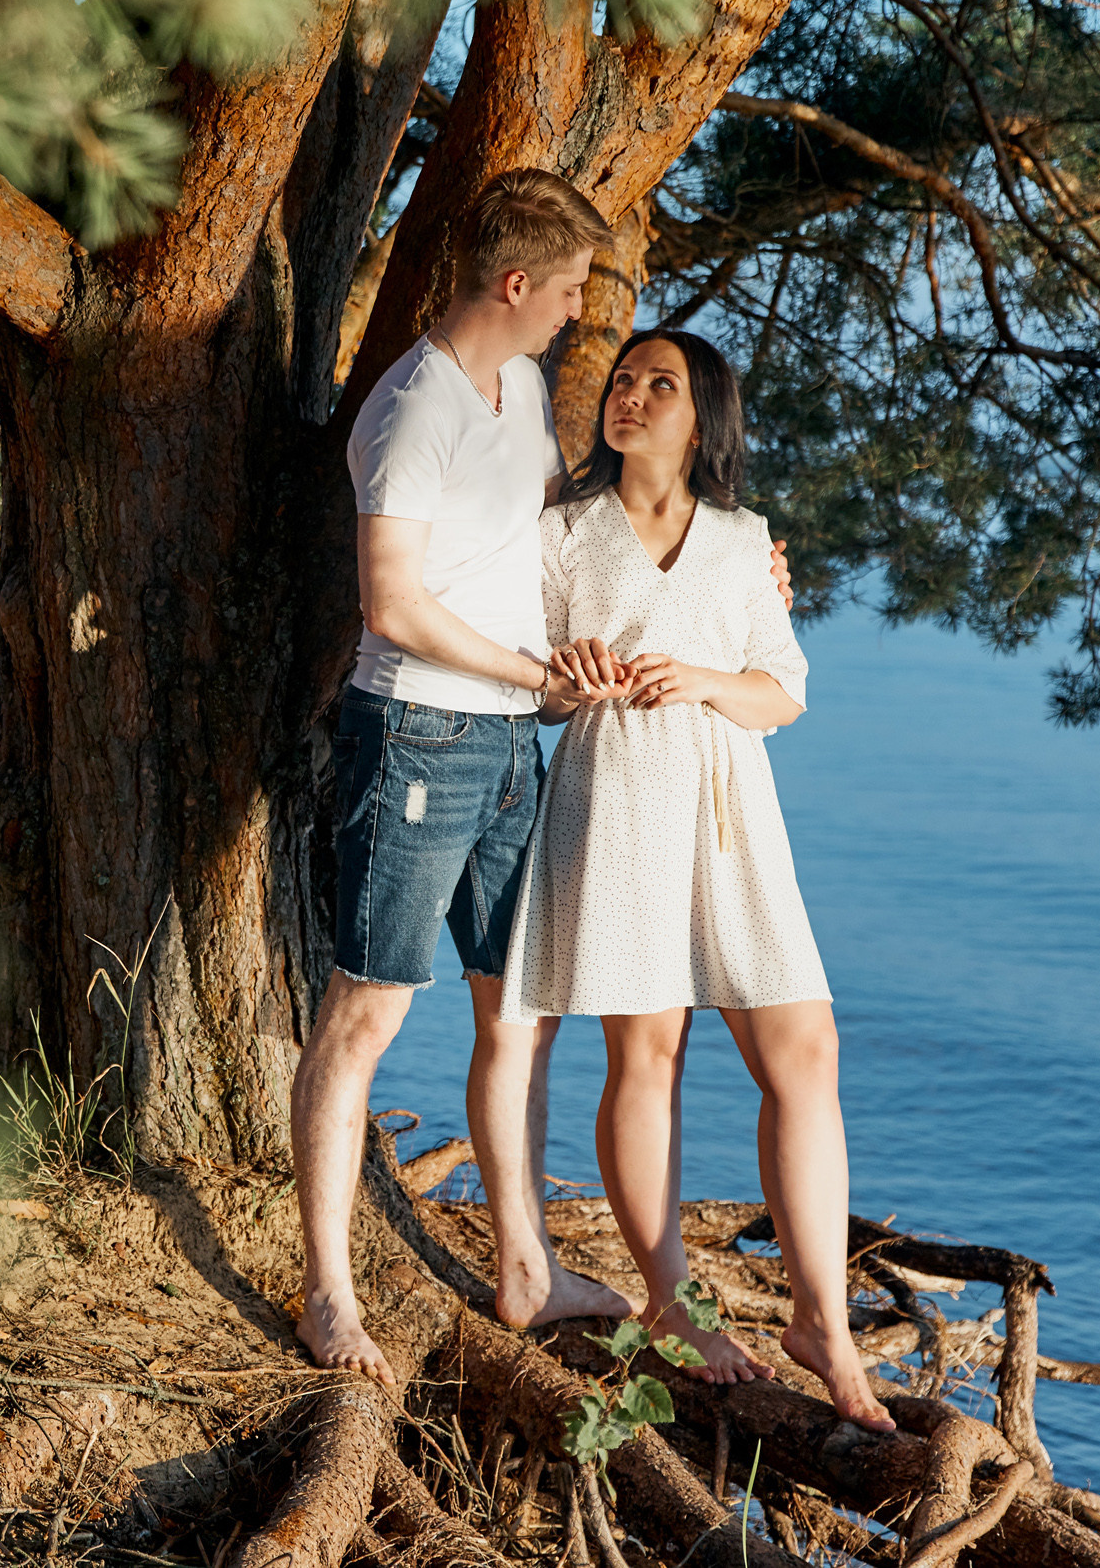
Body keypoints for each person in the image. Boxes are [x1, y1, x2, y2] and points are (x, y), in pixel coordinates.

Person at [500, 328, 895, 1432]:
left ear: (702, 413)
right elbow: (524, 683)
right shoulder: (563, 531)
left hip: (731, 808)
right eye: (622, 382)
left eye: (656, 385)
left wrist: (710, 677)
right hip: (613, 788)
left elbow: (784, 695)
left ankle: (822, 1321)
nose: (628, 397)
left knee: (803, 1047)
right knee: (648, 1049)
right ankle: (671, 1300)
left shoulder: (742, 541)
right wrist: (563, 683)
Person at [289, 168, 631, 1389]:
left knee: (517, 1009)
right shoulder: (410, 413)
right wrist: (529, 673)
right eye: (574, 288)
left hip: (505, 747)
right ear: (516, 281)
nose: (580, 311)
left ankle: (525, 1272)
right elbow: (392, 604)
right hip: (422, 738)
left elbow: (525, 543)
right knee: (365, 1012)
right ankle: (328, 1295)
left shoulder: (522, 385)